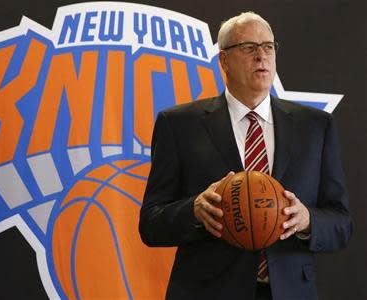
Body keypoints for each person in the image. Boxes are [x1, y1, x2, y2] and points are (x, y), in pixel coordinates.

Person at [139, 12, 352, 300]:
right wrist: (194, 210)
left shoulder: (316, 126)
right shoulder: (178, 125)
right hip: (207, 292)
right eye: (249, 48)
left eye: (268, 47)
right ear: (224, 61)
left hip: (290, 291)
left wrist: (307, 220)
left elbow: (341, 223)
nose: (261, 56)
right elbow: (151, 225)